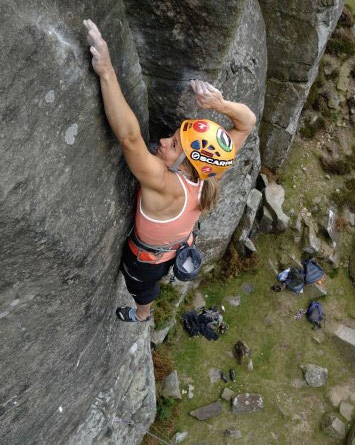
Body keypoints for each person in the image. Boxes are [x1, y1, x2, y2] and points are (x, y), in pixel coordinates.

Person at [83, 19, 256, 323]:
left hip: (145, 260)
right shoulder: (211, 173)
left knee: (142, 288)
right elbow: (247, 123)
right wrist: (219, 104)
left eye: (174, 145)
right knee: (153, 283)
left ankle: (141, 314)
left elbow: (129, 137)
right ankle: (144, 310)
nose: (162, 142)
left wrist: (107, 72)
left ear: (186, 163)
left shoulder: (163, 184)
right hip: (179, 247)